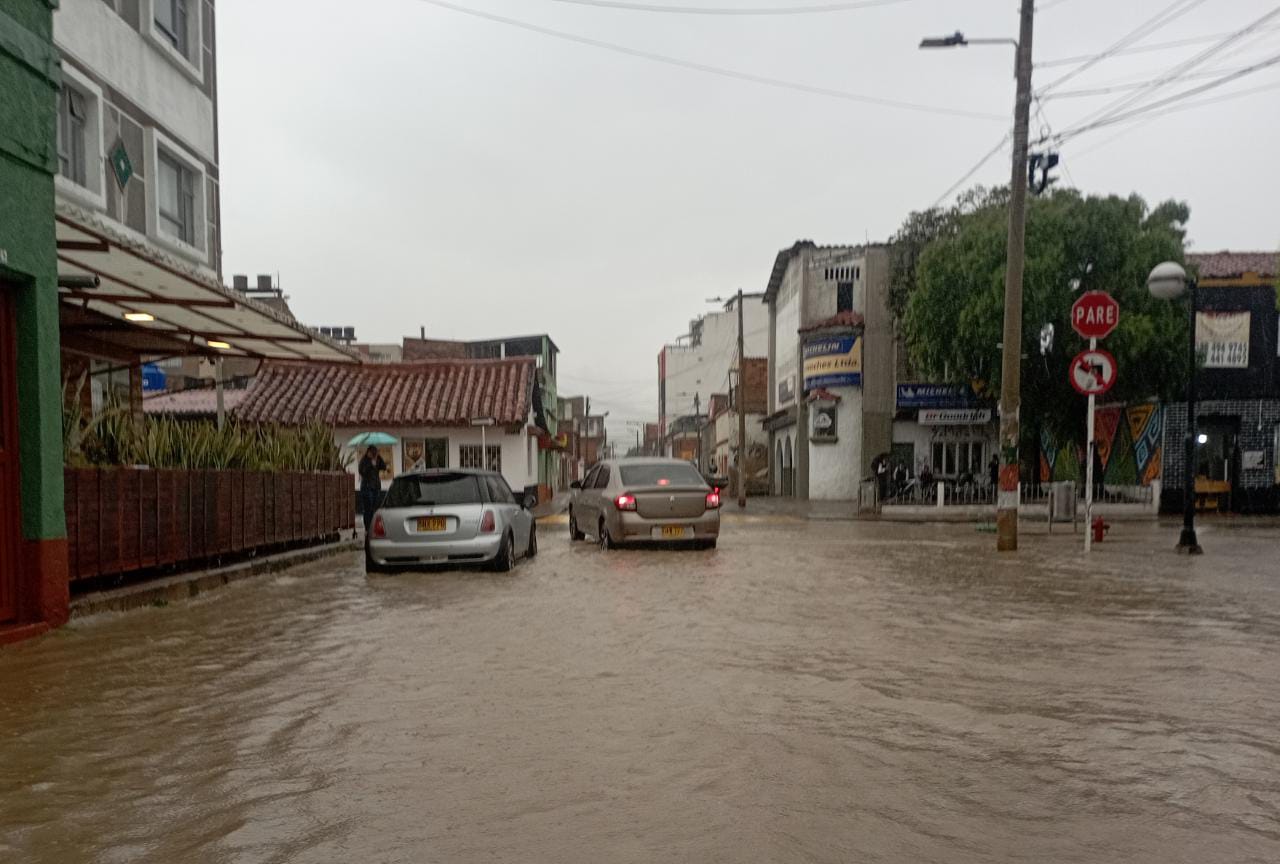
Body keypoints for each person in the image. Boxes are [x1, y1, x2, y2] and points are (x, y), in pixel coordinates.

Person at [358, 445, 387, 533]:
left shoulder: (377, 459)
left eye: (375, 453)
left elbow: (384, 467)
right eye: (372, 453)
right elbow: (362, 472)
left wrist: (379, 457)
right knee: (368, 508)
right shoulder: (364, 460)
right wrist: (371, 465)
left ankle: (373, 527)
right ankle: (367, 528)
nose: (373, 454)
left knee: (375, 508)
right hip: (366, 487)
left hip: (376, 486)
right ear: (368, 452)